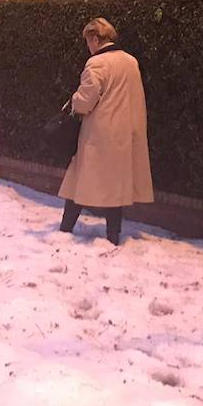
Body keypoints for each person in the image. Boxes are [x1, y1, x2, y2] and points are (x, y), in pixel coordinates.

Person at [58, 17, 154, 246]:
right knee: (117, 185)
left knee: (79, 178)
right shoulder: (131, 61)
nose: (87, 47)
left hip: (100, 133)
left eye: (87, 41)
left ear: (94, 38)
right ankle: (113, 235)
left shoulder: (97, 63)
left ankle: (65, 228)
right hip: (126, 131)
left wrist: (73, 101)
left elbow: (84, 101)